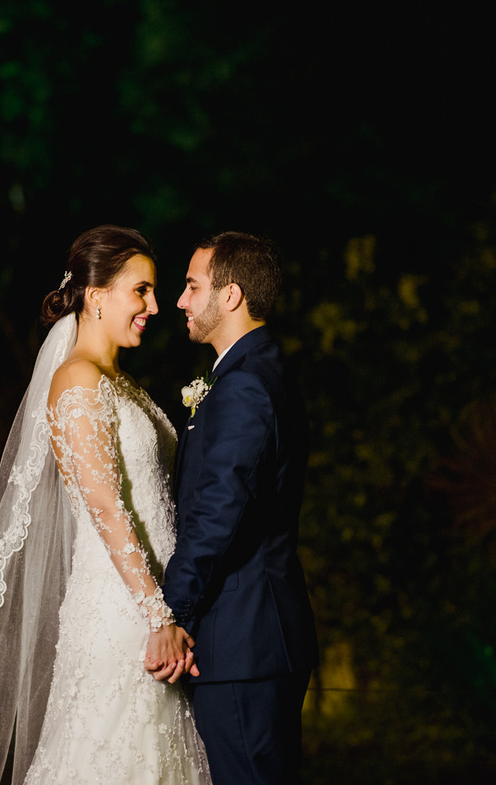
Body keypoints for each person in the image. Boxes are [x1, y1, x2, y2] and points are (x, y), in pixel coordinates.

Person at [0, 225, 211, 785]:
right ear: (96, 296)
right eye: (141, 291)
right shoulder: (76, 383)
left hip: (153, 609)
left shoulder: (120, 383)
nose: (155, 306)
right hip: (124, 614)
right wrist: (158, 616)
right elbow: (105, 508)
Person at [152, 231, 319, 784]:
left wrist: (170, 615)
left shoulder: (244, 386)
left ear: (231, 295)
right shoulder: (257, 373)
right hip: (253, 639)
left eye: (192, 285)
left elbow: (217, 515)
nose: (180, 300)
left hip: (244, 644)